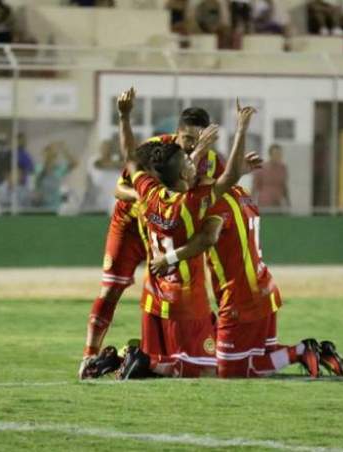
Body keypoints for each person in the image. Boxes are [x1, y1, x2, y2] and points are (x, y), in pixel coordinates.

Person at [115, 89, 260, 379]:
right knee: (203, 370)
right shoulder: (190, 205)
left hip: (153, 292)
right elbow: (228, 179)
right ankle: (141, 361)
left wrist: (125, 116)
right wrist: (241, 129)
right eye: (190, 164)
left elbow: (130, 157)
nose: (195, 164)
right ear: (183, 175)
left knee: (165, 356)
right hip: (185, 296)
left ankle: (138, 359)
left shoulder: (149, 192)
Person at [78, 106, 226, 379]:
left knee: (180, 291)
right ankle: (90, 357)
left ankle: (138, 356)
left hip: (168, 229)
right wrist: (146, 200)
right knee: (111, 290)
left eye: (197, 139)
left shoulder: (214, 162)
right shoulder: (156, 151)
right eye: (186, 138)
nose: (190, 144)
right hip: (131, 226)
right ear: (176, 133)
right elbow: (119, 188)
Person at [150, 184, 343, 378]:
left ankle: (299, 351)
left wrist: (169, 258)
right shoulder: (242, 192)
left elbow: (207, 238)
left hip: (240, 296)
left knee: (230, 370)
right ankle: (318, 353)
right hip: (264, 288)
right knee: (263, 354)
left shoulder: (215, 201)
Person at [34, 142, 77, 211]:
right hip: (41, 207)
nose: (51, 158)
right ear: (44, 155)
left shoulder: (59, 168)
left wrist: (65, 150)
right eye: (49, 155)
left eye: (53, 155)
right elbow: (37, 181)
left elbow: (74, 163)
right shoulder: (38, 168)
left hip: (56, 207)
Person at [87, 140, 124, 214]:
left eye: (109, 148)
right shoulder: (94, 160)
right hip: (99, 197)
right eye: (104, 148)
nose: (106, 150)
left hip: (115, 197)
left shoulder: (116, 159)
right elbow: (100, 164)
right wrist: (115, 165)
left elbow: (126, 165)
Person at [252, 143, 289, 208]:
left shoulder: (283, 168)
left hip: (278, 203)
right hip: (265, 203)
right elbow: (254, 187)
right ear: (270, 154)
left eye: (279, 154)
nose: (278, 156)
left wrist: (288, 203)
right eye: (275, 154)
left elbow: (284, 186)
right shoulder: (261, 168)